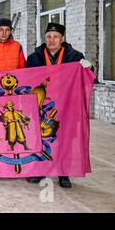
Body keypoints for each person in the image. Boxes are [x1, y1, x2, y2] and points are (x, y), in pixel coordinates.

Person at [26, 22, 93, 189]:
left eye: (56, 37)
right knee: (40, 138)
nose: (52, 40)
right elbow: (27, 80)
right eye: (48, 36)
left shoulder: (74, 56)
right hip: (42, 105)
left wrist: (89, 67)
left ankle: (64, 173)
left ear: (62, 38)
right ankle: (40, 170)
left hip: (67, 105)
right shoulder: (34, 57)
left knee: (66, 139)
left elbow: (89, 77)